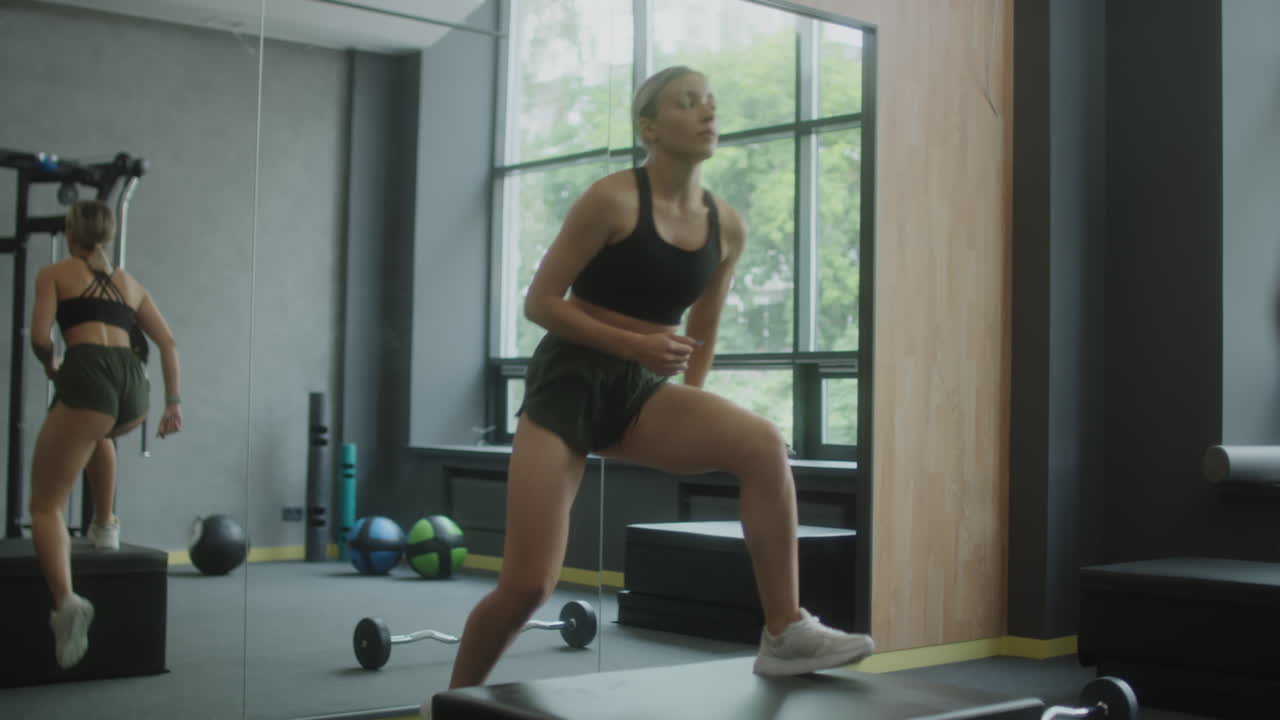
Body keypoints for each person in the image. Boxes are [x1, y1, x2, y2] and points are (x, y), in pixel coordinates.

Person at [446, 66, 874, 690]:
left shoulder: (726, 225)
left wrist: (682, 407)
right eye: (687, 102)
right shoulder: (611, 199)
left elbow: (703, 325)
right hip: (568, 384)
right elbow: (540, 302)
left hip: (644, 391)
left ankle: (785, 631)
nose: (708, 113)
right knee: (527, 586)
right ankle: (452, 701)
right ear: (650, 126)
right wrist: (635, 346)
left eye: (711, 102)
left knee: (761, 444)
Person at [28, 199, 183, 669]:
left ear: (70, 233)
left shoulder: (55, 273)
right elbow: (168, 342)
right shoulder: (129, 283)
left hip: (90, 378)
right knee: (98, 433)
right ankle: (104, 527)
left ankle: (67, 605)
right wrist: (174, 403)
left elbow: (39, 337)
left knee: (45, 506)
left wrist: (52, 365)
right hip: (133, 390)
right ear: (109, 235)